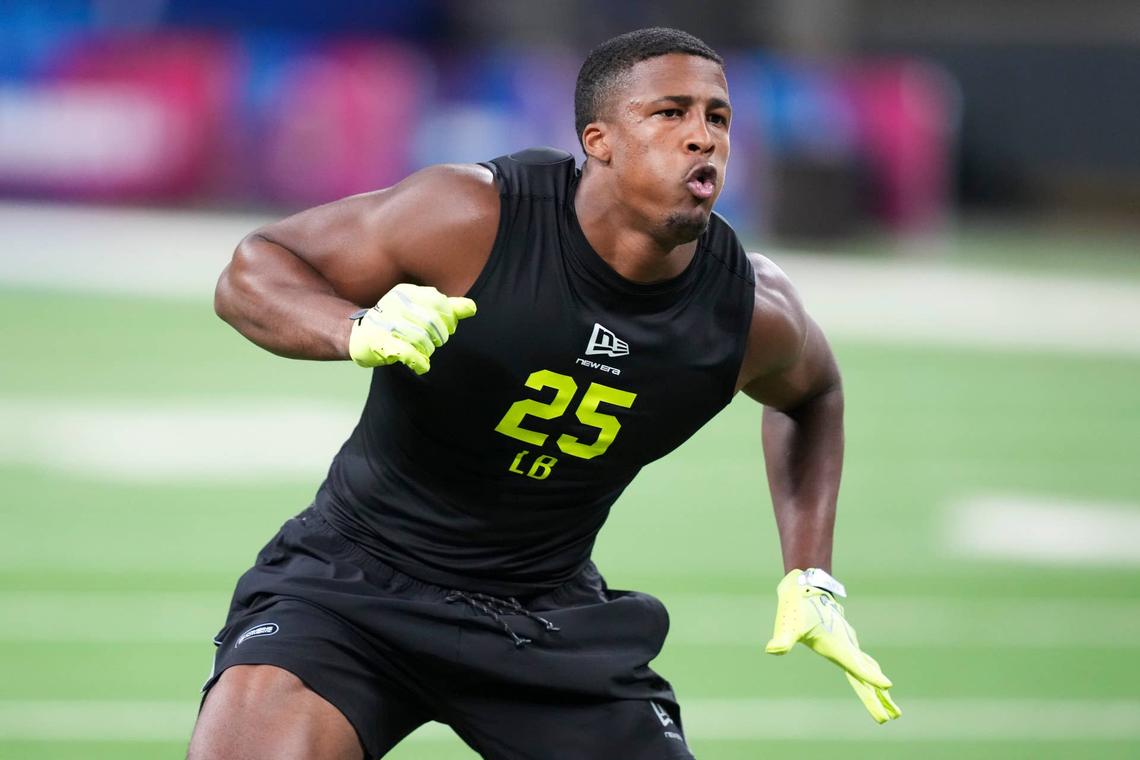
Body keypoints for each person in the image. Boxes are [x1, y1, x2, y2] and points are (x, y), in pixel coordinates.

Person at [188, 26, 900, 760]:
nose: (702, 139)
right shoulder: (473, 218)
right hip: (353, 586)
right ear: (600, 139)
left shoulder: (746, 311)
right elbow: (254, 268)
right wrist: (354, 327)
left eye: (717, 118)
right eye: (670, 113)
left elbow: (814, 395)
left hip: (544, 618)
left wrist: (811, 573)